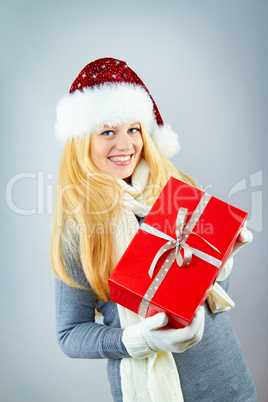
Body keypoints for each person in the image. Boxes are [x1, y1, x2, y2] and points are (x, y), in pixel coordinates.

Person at [51, 57, 257, 401]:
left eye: (133, 129)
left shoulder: (176, 190)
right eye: (107, 132)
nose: (125, 145)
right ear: (81, 141)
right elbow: (69, 334)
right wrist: (139, 341)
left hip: (228, 380)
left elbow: (209, 300)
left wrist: (219, 263)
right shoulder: (79, 229)